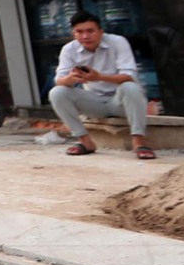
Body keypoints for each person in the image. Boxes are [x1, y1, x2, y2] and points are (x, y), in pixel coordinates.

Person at [49, 13, 152, 159]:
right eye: (80, 32)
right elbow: (59, 80)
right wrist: (71, 78)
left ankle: (139, 142)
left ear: (101, 32)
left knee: (131, 87)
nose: (85, 36)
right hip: (95, 103)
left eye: (90, 31)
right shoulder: (69, 49)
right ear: (74, 34)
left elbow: (129, 76)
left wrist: (99, 77)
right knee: (57, 92)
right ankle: (85, 141)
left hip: (121, 101)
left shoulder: (117, 42)